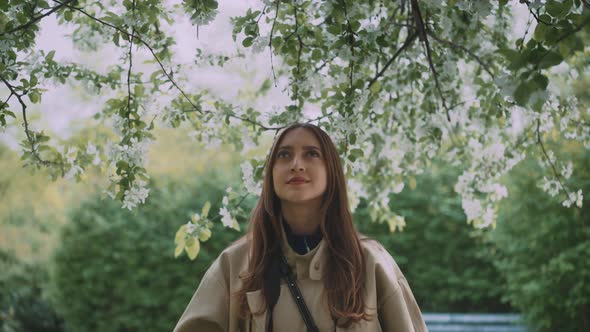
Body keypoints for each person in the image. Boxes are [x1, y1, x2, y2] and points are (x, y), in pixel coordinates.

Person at [173, 123, 428, 332]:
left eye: (311, 153)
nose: (296, 164)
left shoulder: (370, 263)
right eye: (284, 155)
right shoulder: (236, 264)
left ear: (332, 172)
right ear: (271, 174)